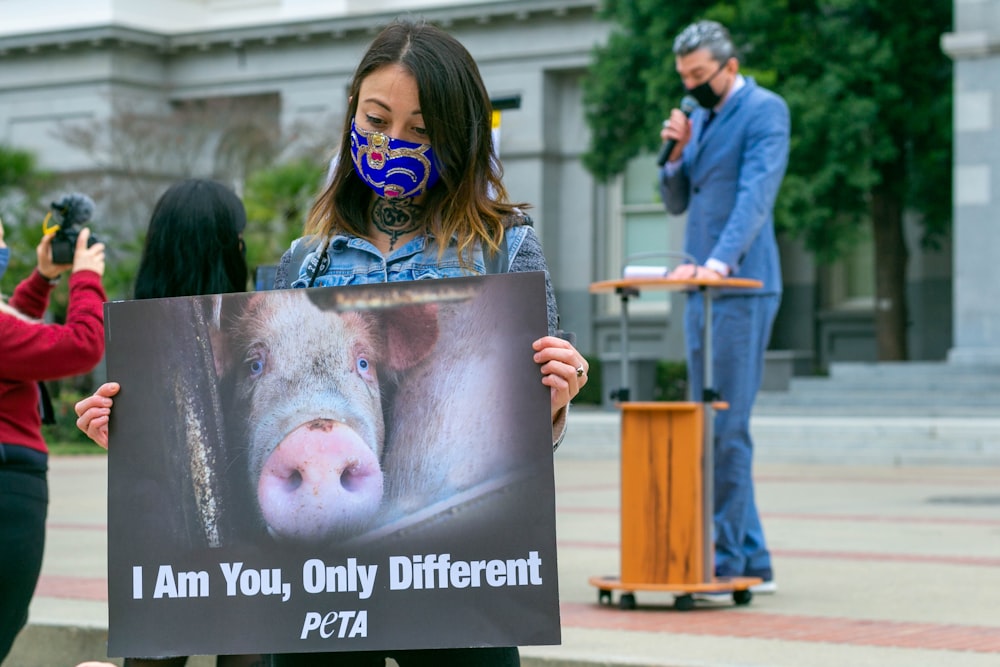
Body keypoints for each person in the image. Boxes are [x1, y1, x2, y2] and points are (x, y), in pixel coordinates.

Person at [264, 17, 588, 667]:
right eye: (377, 119)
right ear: (352, 111)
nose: (391, 143)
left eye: (422, 129)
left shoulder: (505, 247)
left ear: (459, 137)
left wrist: (556, 396)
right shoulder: (304, 261)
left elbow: (530, 434)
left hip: (458, 576)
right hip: (327, 580)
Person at [72, 179, 266, 667]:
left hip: (192, 551)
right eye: (238, 238)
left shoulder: (255, 324)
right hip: (195, 549)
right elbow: (136, 446)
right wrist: (104, 423)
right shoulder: (136, 336)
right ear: (226, 245)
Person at [658, 19, 790, 594]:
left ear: (728, 67)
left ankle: (732, 558)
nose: (691, 87)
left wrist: (717, 264)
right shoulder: (703, 118)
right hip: (701, 291)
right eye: (684, 77)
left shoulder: (765, 110)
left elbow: (754, 197)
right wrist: (674, 156)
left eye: (699, 75)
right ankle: (752, 556)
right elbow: (675, 198)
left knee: (727, 426)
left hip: (740, 287)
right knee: (708, 426)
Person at [0, 216, 107, 662]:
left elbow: (15, 332)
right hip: (9, 484)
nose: (4, 244)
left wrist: (42, 280)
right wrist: (85, 279)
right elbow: (81, 345)